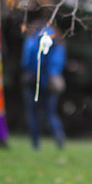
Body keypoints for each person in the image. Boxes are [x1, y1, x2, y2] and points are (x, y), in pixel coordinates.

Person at [21, 19, 67, 149]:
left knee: (33, 114)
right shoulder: (57, 41)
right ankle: (59, 138)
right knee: (51, 113)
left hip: (32, 81)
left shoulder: (32, 39)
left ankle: (35, 144)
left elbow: (26, 61)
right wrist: (53, 73)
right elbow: (58, 62)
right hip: (50, 83)